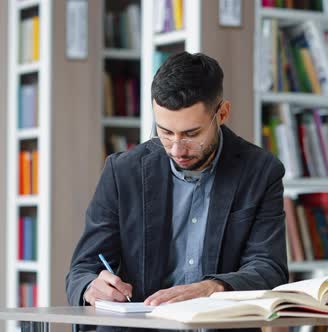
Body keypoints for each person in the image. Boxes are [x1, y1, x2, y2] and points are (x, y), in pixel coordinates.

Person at [66, 52, 288, 330]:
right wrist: (91, 287)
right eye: (165, 132)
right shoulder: (123, 171)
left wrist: (212, 288)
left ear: (222, 113)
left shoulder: (261, 171)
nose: (176, 148)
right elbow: (82, 269)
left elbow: (270, 269)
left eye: (191, 134)